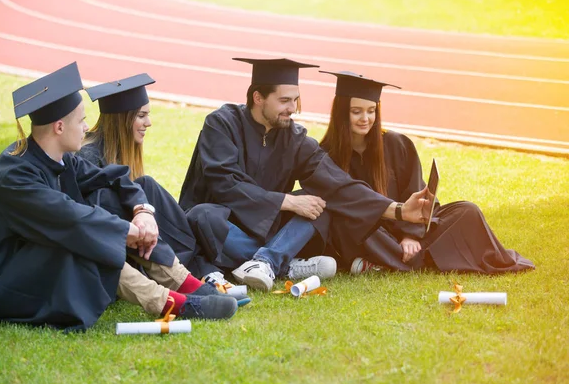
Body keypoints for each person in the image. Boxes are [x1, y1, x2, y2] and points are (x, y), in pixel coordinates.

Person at [0, 63, 237, 332]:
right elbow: (69, 218)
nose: (87, 127)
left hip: (33, 257)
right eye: (81, 120)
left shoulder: (54, 158)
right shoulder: (16, 176)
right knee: (82, 238)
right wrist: (126, 230)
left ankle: (186, 284)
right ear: (59, 127)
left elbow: (114, 176)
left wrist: (142, 211)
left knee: (111, 202)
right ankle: (170, 303)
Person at [179, 58, 432, 291]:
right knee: (202, 215)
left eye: (296, 100)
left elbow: (337, 184)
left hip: (269, 228)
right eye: (285, 101)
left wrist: (398, 210)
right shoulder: (221, 124)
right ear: (258, 97)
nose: (293, 109)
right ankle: (284, 263)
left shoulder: (294, 137)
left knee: (319, 201)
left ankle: (267, 261)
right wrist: (286, 201)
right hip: (225, 224)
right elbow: (224, 183)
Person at [318, 70, 535, 273]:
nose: (365, 119)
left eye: (371, 111)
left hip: (409, 229)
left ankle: (384, 261)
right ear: (341, 113)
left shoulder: (396, 144)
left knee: (468, 211)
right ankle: (407, 258)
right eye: (356, 112)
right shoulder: (327, 155)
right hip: (371, 233)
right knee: (344, 222)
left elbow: (417, 193)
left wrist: (410, 235)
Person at [78, 73, 250, 301]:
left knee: (146, 186)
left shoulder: (115, 149)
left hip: (136, 244)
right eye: (141, 116)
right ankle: (197, 275)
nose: (148, 123)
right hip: (114, 247)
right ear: (121, 119)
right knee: (145, 186)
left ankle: (201, 272)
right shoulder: (88, 156)